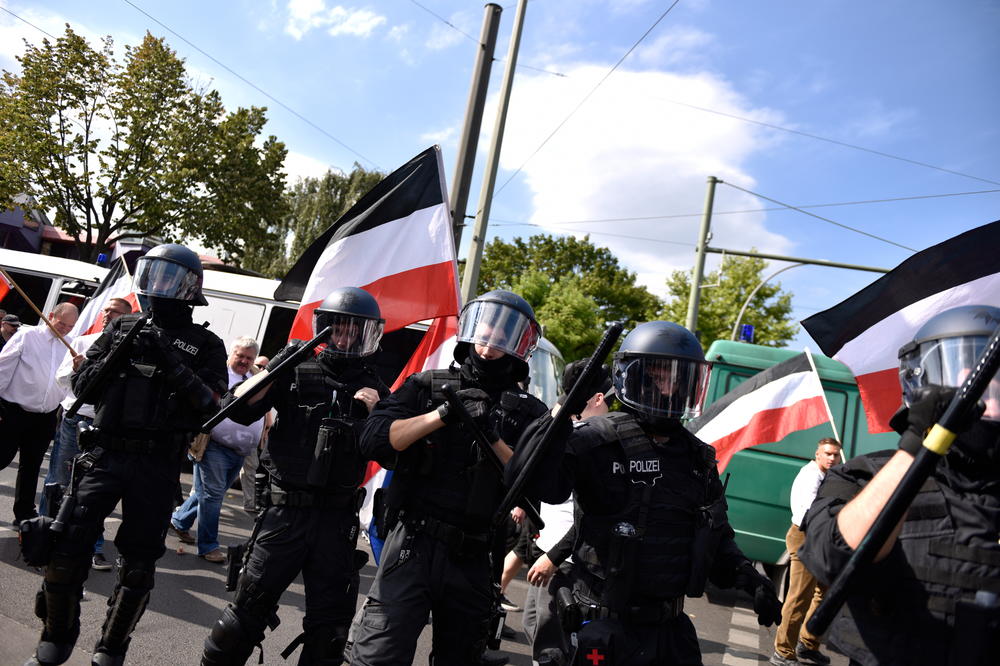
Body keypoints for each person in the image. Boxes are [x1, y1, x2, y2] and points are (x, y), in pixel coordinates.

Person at [508, 321, 783, 665]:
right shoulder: (597, 439)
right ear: (634, 377)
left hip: (669, 632)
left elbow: (716, 535)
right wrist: (561, 413)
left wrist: (750, 577)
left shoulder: (697, 457)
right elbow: (531, 481)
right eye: (658, 376)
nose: (669, 388)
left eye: (679, 378)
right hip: (604, 627)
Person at [25, 243, 228, 666]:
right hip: (105, 454)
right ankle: (57, 637)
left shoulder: (206, 343)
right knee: (66, 549)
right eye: (153, 274)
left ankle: (111, 647)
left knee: (138, 565)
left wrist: (169, 360)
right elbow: (82, 389)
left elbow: (211, 405)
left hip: (157, 463)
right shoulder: (122, 328)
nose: (158, 285)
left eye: (169, 277)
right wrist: (120, 349)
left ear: (190, 287)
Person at [348, 290, 550, 666]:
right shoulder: (427, 386)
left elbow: (543, 484)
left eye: (502, 335)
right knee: (378, 655)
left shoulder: (530, 413)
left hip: (475, 554)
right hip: (413, 542)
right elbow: (374, 440)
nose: (489, 343)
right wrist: (441, 415)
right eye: (485, 331)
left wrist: (492, 437)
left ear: (520, 343)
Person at [800, 304, 1000, 666]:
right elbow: (834, 557)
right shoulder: (867, 474)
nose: (976, 390)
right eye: (959, 371)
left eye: (993, 380)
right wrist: (916, 445)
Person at [201, 287, 389, 666]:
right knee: (243, 616)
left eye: (354, 330)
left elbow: (391, 452)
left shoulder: (375, 387)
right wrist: (277, 367)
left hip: (336, 520)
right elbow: (236, 409)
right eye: (338, 328)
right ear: (325, 327)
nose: (344, 337)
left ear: (367, 335)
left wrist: (377, 413)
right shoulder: (296, 369)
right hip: (284, 515)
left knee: (330, 632)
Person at [522, 359, 613, 666]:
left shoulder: (600, 444)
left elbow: (591, 517)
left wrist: (554, 557)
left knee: (552, 642)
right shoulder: (573, 431)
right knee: (533, 624)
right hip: (549, 550)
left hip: (567, 560)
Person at [40, 297, 134, 571]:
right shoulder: (83, 343)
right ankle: (44, 535)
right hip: (75, 419)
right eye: (106, 310)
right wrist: (77, 370)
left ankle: (93, 547)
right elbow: (61, 381)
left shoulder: (132, 351)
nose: (107, 315)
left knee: (97, 488)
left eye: (115, 312)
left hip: (107, 425)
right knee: (59, 479)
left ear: (127, 318)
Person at [170, 337, 266, 563]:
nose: (244, 361)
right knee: (213, 495)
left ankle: (179, 520)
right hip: (213, 445)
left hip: (241, 451)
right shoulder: (219, 375)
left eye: (249, 358)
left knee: (209, 493)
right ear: (231, 354)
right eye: (240, 355)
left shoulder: (254, 377)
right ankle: (208, 546)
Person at [0, 302, 79, 526]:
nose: (65, 329)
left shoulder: (71, 345)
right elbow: (2, 369)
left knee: (32, 465)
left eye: (70, 326)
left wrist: (78, 369)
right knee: (2, 457)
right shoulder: (27, 336)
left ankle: (24, 512)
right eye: (61, 323)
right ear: (51, 316)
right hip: (13, 409)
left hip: (45, 416)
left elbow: (66, 382)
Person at [771, 437, 841, 666]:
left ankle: (807, 644)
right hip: (806, 536)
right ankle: (782, 651)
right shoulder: (810, 476)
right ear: (817, 454)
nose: (832, 458)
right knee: (799, 596)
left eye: (835, 455)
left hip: (821, 538)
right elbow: (809, 513)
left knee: (823, 592)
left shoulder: (827, 476)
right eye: (828, 453)